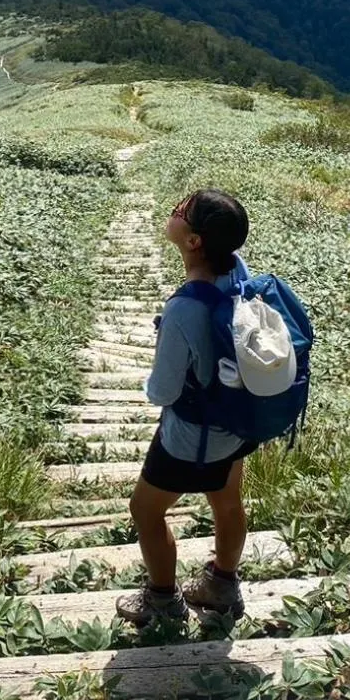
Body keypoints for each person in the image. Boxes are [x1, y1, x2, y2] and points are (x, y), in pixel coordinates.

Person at [116, 188, 258, 626]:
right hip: (238, 422)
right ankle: (222, 585)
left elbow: (161, 392)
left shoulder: (184, 307)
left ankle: (162, 600)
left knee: (145, 509)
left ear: (193, 240)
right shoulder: (238, 272)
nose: (172, 211)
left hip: (191, 435)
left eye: (181, 211)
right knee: (227, 500)